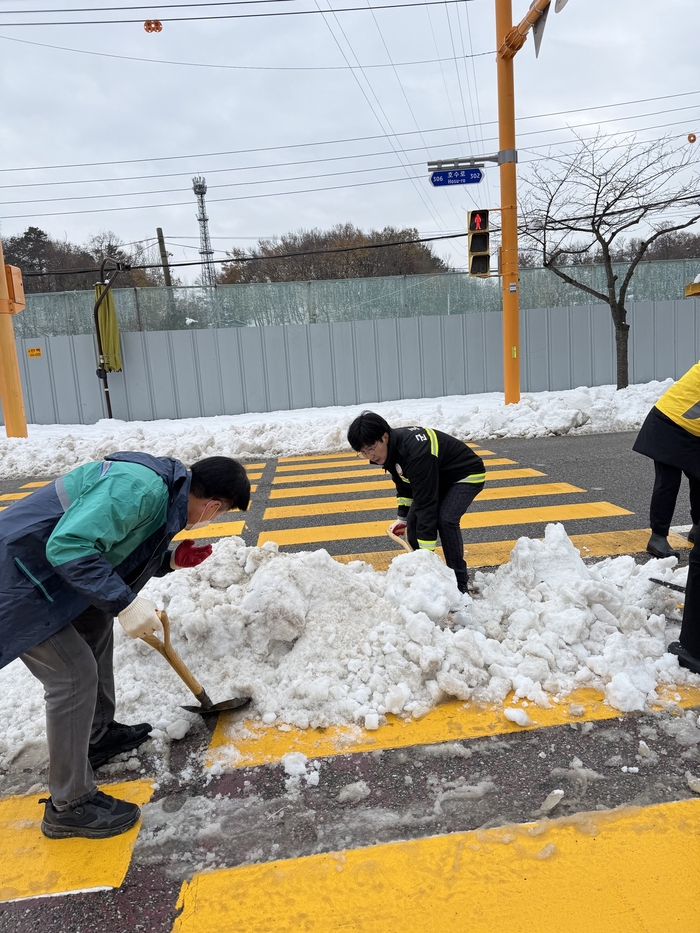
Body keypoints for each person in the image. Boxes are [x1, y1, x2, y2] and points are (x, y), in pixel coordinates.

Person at [0, 452, 250, 840]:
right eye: (219, 513)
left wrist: (169, 561)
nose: (213, 519)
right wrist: (125, 603)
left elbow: (114, 548)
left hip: (45, 576)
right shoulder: (139, 487)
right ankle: (70, 804)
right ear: (214, 505)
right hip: (16, 582)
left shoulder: (165, 493)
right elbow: (69, 546)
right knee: (73, 674)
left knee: (95, 624)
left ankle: (96, 736)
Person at [347, 411, 485, 594]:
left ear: (385, 437)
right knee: (414, 521)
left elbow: (427, 504)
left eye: (371, 448)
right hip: (438, 478)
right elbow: (404, 484)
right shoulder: (390, 450)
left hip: (465, 474)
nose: (369, 455)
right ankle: (419, 575)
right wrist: (403, 518)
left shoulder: (414, 453)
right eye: (362, 452)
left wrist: (427, 555)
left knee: (445, 520)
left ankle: (459, 584)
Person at [633, 360, 700, 559]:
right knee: (668, 481)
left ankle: (697, 527)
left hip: (692, 430)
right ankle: (658, 537)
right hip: (669, 422)